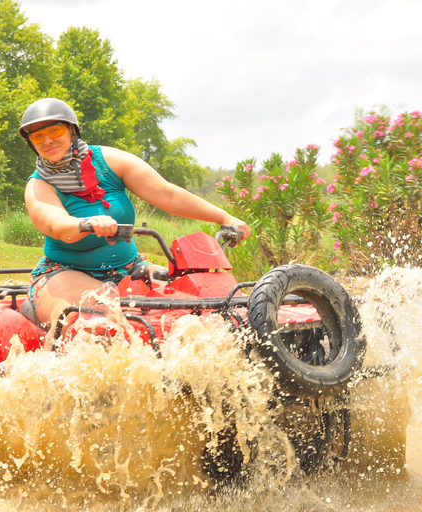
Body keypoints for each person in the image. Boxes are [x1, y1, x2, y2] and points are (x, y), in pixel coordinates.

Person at [20, 98, 251, 348]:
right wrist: (86, 222)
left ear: (72, 130)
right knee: (88, 319)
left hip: (129, 268)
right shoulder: (38, 185)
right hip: (63, 272)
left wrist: (224, 218)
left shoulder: (108, 160)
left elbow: (167, 194)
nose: (47, 140)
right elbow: (56, 225)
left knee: (198, 301)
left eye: (54, 131)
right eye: (37, 136)